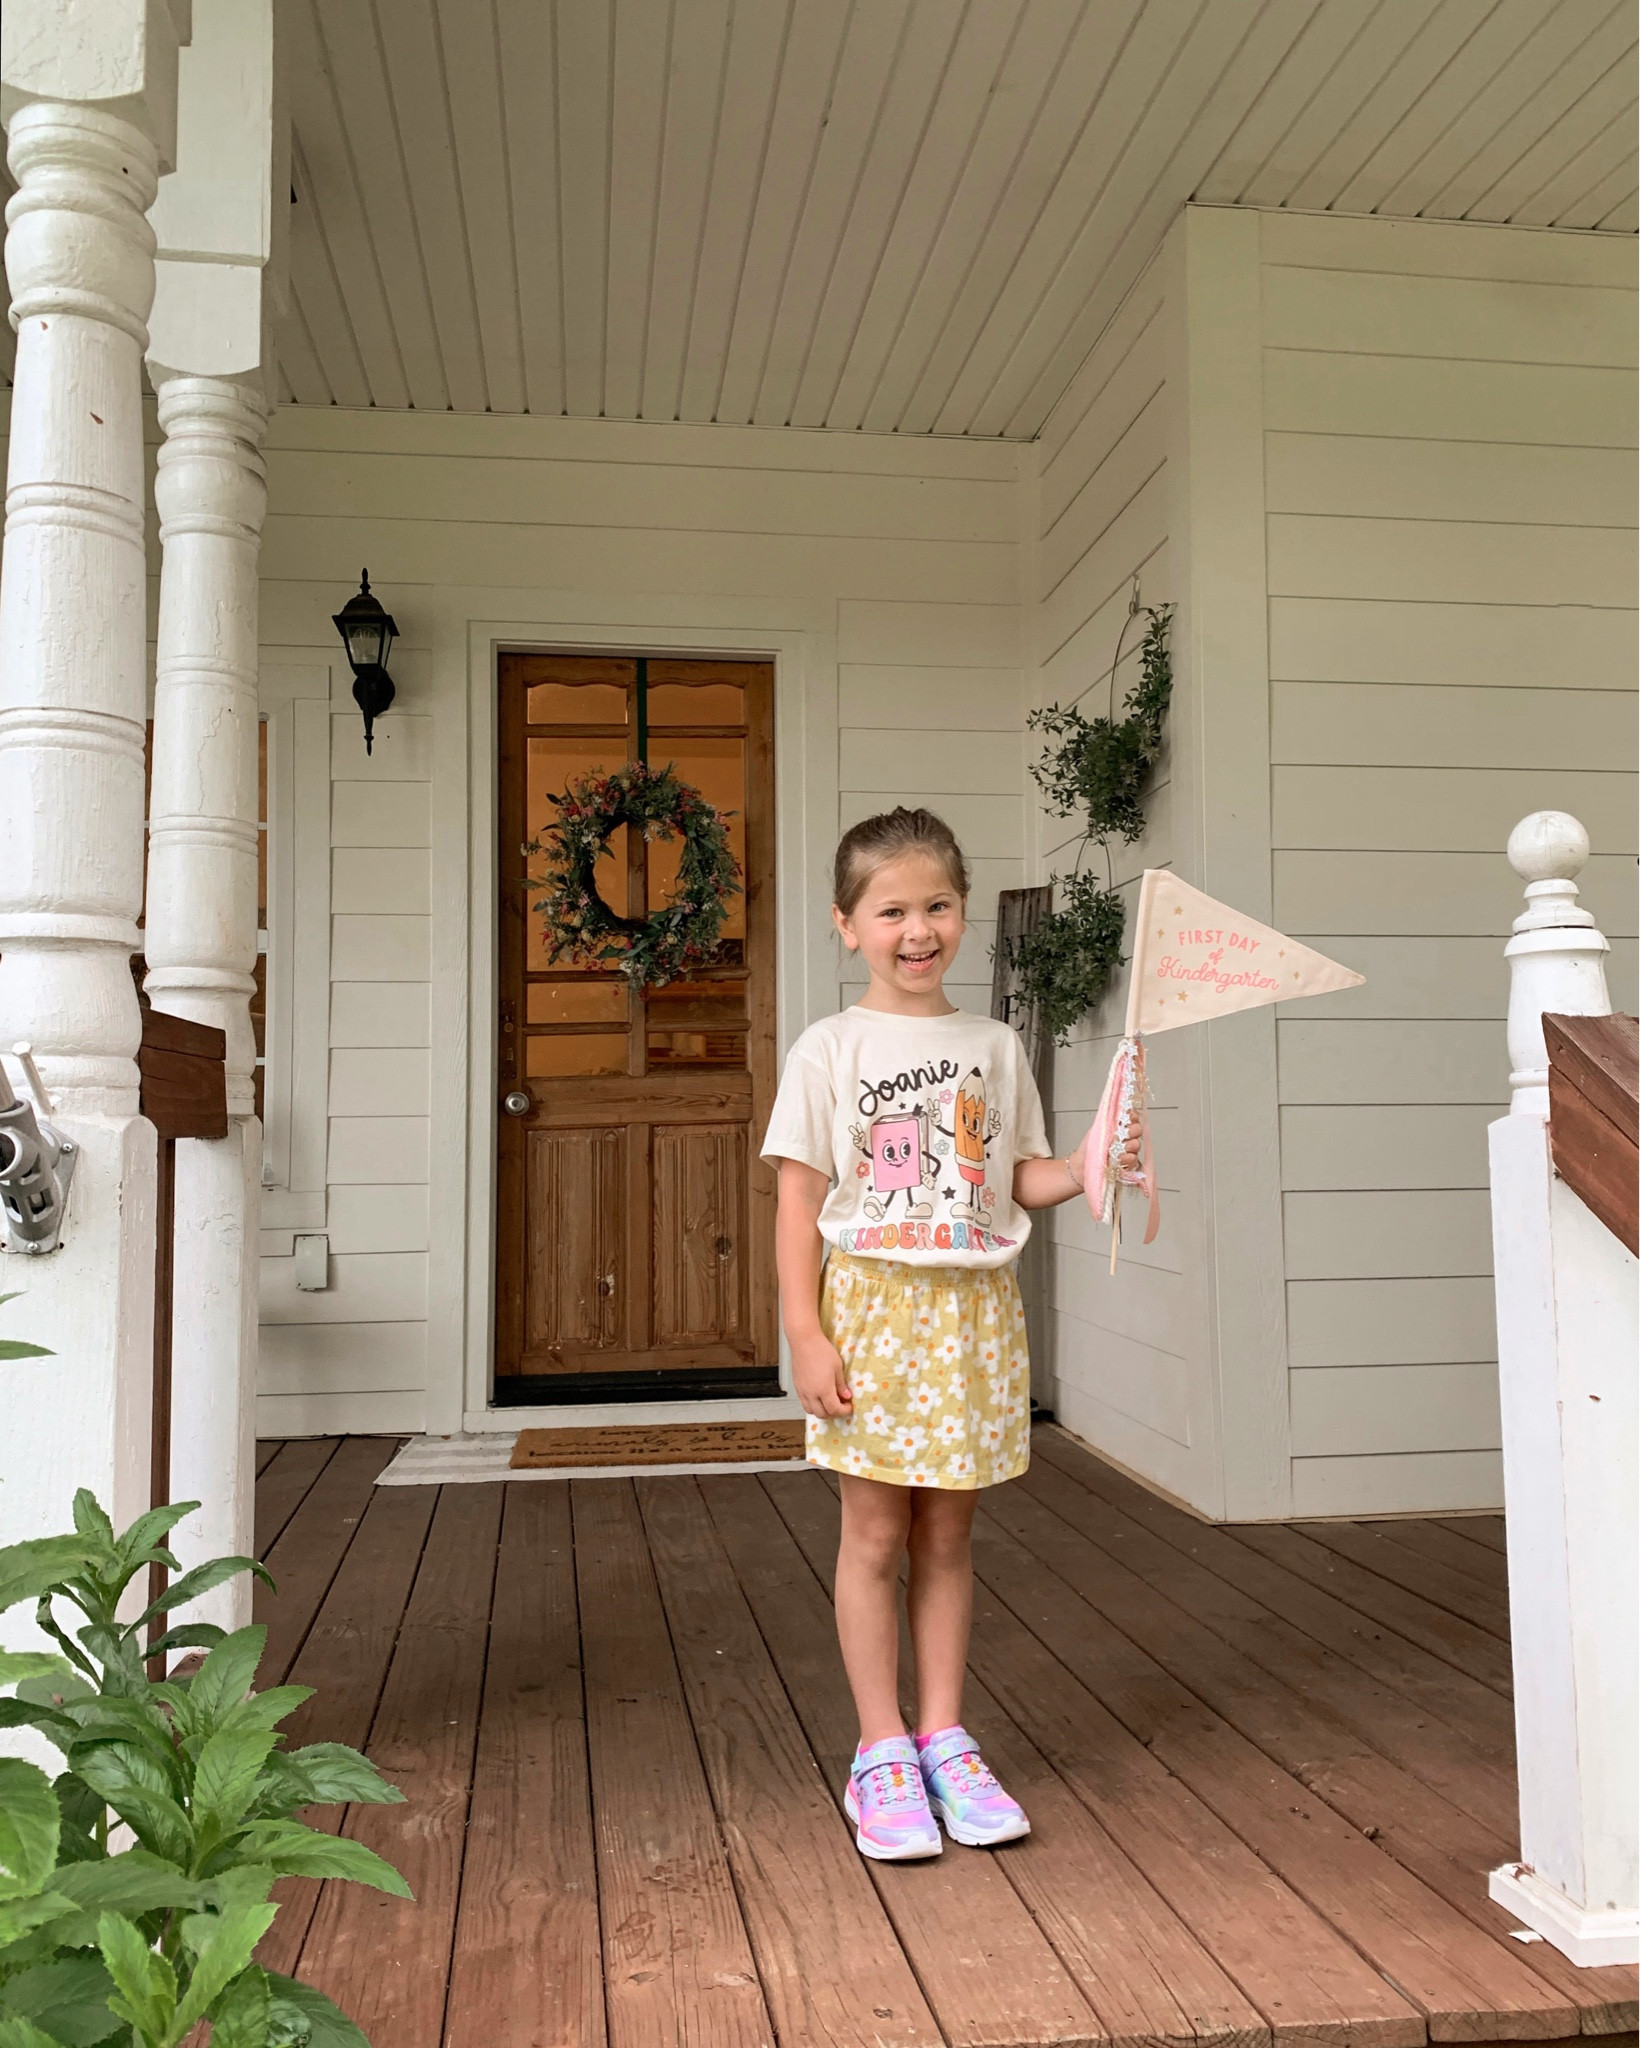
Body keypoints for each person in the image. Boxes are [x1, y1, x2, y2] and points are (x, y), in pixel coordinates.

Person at [761, 806, 1131, 1862]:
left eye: (935, 905)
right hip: (871, 1313)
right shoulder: (829, 1046)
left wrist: (1096, 1155)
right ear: (847, 924)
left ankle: (944, 1737)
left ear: (960, 912)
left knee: (949, 1538)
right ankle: (879, 1748)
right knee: (874, 1537)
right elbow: (797, 1201)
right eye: (891, 910)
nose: (915, 929)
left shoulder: (992, 1043)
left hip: (970, 1317)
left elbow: (1018, 1177)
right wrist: (805, 1331)